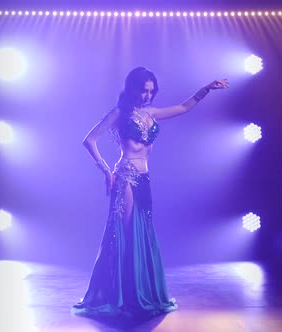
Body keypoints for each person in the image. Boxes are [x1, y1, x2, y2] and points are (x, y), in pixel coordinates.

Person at [72, 67, 229, 318]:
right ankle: (122, 296)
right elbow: (89, 140)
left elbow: (183, 108)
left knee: (143, 233)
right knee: (125, 234)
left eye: (150, 91)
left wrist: (206, 89)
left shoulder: (152, 113)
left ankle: (139, 293)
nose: (147, 96)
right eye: (143, 90)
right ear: (132, 88)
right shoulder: (119, 113)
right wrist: (106, 171)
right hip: (125, 177)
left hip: (144, 178)